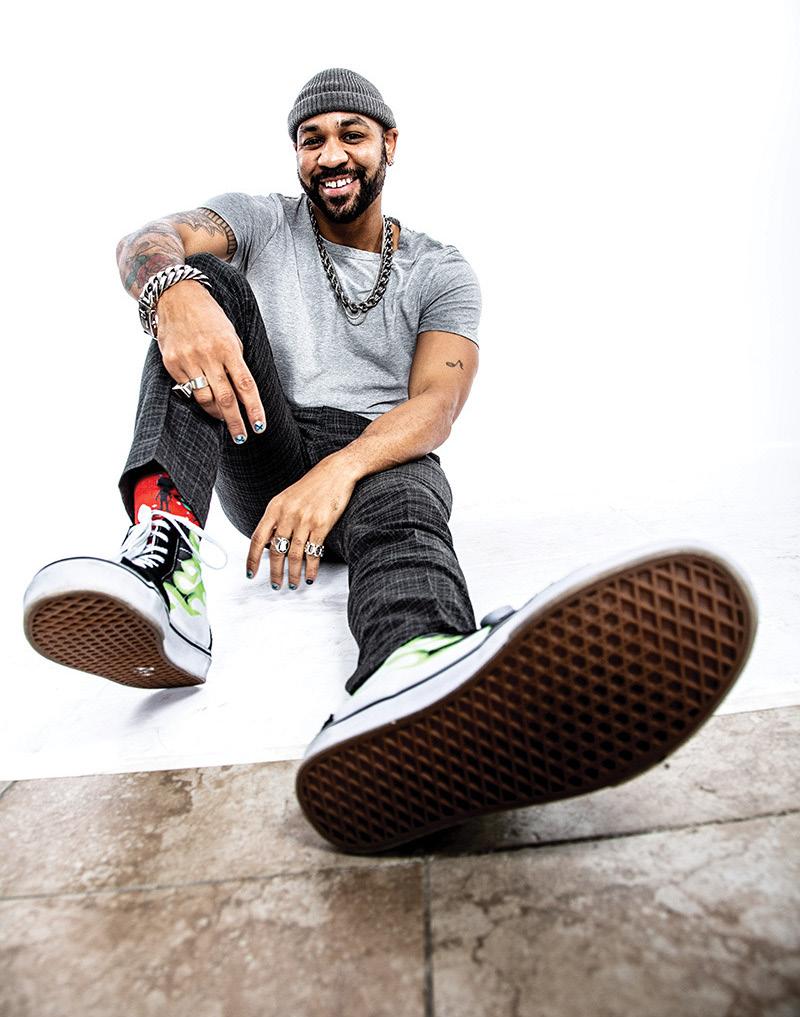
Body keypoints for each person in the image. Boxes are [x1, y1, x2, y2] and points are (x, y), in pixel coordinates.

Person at [22, 68, 758, 854]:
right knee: (198, 284)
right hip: (266, 443)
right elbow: (147, 238)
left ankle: (414, 673)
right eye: (312, 139)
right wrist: (172, 293)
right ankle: (167, 575)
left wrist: (337, 471)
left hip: (379, 453)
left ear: (390, 145)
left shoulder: (441, 270)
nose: (331, 154)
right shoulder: (260, 221)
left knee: (407, 503)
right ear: (296, 154)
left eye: (352, 134)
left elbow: (434, 406)